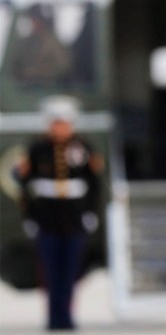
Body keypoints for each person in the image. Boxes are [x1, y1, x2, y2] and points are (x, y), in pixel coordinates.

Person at [16, 95, 103, 331]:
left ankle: (67, 315)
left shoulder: (83, 148)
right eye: (56, 123)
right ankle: (54, 316)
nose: (60, 128)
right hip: (47, 218)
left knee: (71, 271)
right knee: (50, 272)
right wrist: (31, 217)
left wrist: (90, 212)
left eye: (64, 123)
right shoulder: (37, 149)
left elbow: (94, 184)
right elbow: (24, 185)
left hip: (74, 217)